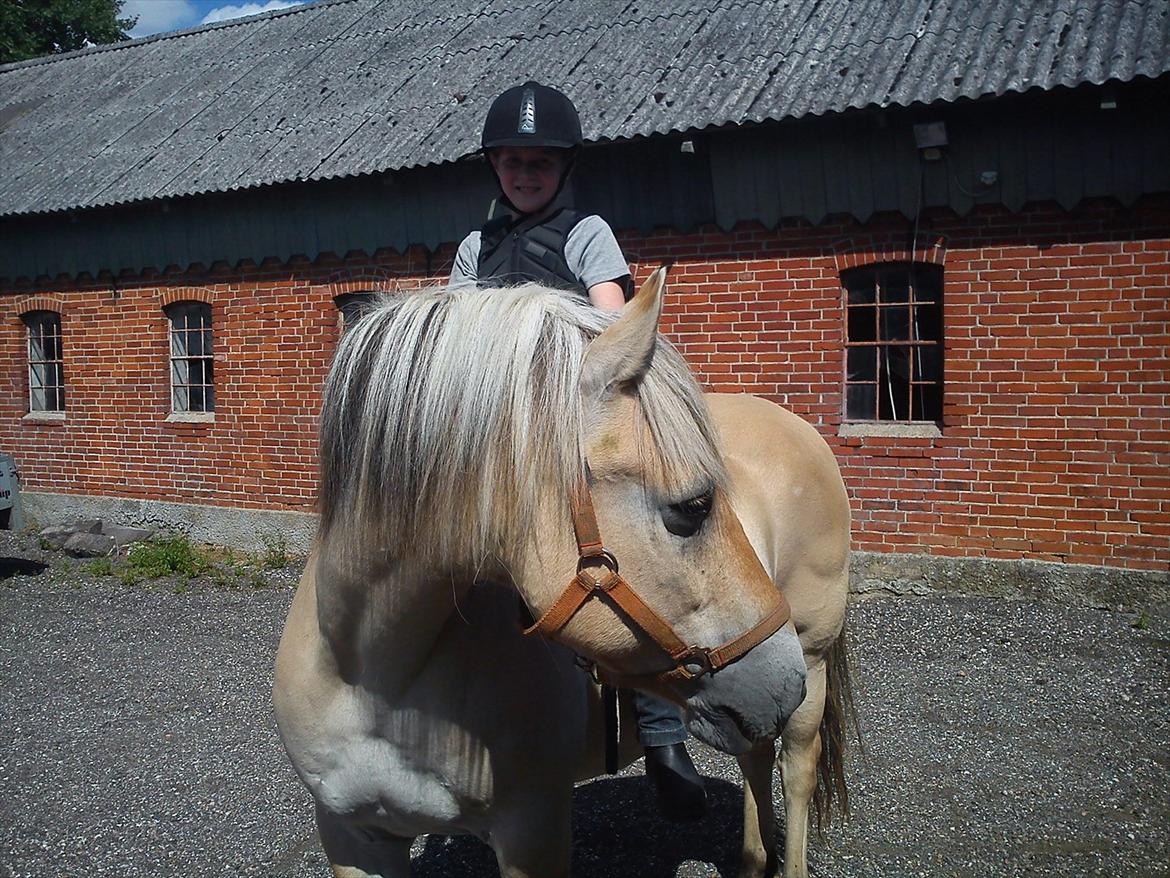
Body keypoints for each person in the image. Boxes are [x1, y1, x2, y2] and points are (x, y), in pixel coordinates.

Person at [448, 81, 708, 822]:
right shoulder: (477, 246)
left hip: (573, 413)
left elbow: (610, 323)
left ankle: (662, 732)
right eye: (512, 161)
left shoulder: (587, 231)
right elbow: (459, 336)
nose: (524, 173)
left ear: (563, 169)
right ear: (495, 166)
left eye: (539, 162)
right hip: (501, 426)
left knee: (616, 554)